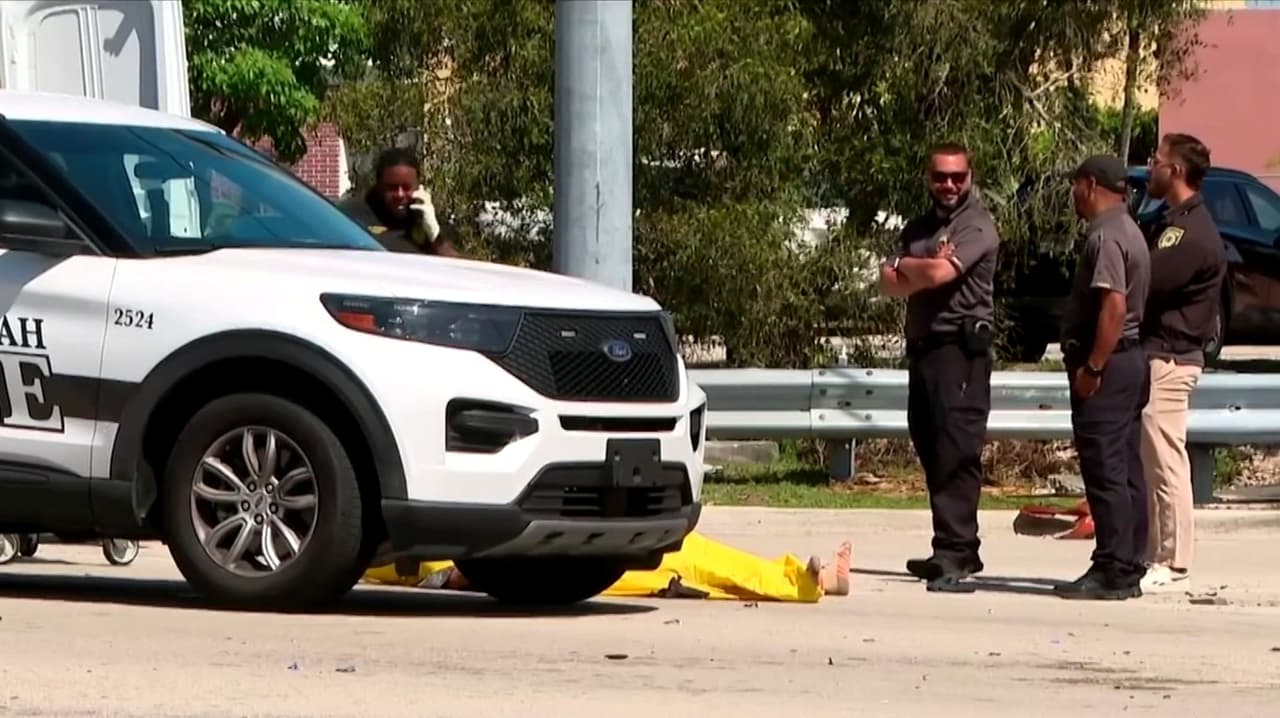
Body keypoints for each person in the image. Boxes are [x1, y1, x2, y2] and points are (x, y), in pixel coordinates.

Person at [878, 142, 999, 592]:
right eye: (940, 177)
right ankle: (950, 545)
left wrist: (904, 266)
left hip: (960, 353)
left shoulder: (978, 225)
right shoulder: (920, 227)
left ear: (969, 177)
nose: (948, 185)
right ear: (928, 178)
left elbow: (937, 276)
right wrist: (912, 267)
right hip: (925, 350)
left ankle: (958, 552)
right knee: (930, 445)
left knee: (956, 450)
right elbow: (887, 284)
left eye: (957, 177)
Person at [1056, 154, 1152, 601]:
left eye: (1076, 186)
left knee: (1107, 469)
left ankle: (1112, 567)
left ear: (1090, 185)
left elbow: (1113, 306)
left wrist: (1093, 366)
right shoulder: (1129, 229)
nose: (1073, 194)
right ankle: (1128, 563)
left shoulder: (1108, 237)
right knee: (1127, 467)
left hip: (1110, 369)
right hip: (1130, 363)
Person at [1137, 134, 1226, 592]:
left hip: (1172, 359)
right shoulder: (1174, 222)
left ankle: (1171, 561)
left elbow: (1146, 281)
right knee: (1153, 462)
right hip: (1160, 356)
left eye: (1156, 161)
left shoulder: (1190, 234)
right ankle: (1155, 551)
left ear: (1175, 172)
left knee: (1167, 462)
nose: (1149, 167)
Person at [364, 532, 853, 603]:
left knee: (704, 559)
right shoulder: (400, 562)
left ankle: (806, 578)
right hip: (583, 565)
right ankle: (808, 582)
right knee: (703, 568)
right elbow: (452, 576)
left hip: (578, 553)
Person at [336, 147, 461, 257]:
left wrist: (435, 235)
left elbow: (456, 269)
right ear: (379, 185)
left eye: (406, 187)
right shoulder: (352, 215)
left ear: (418, 186)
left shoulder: (427, 218)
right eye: (392, 188)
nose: (400, 194)